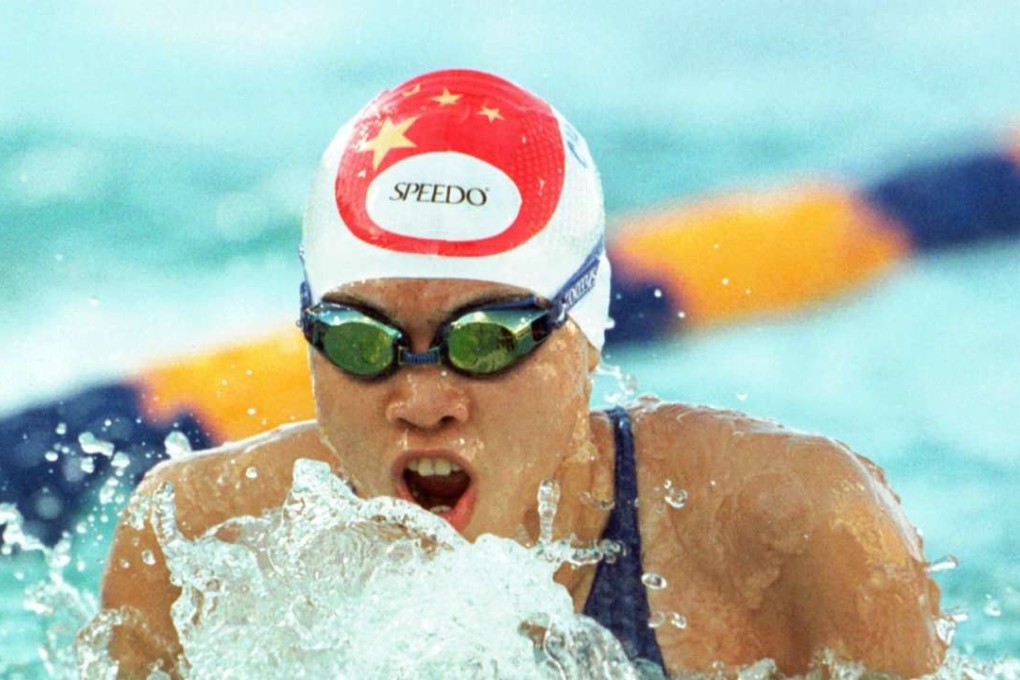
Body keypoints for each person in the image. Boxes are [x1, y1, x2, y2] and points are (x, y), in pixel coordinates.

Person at [101, 69, 945, 678]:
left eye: (489, 338)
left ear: (585, 338)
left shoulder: (794, 535)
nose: (424, 401)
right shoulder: (195, 543)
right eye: (362, 340)